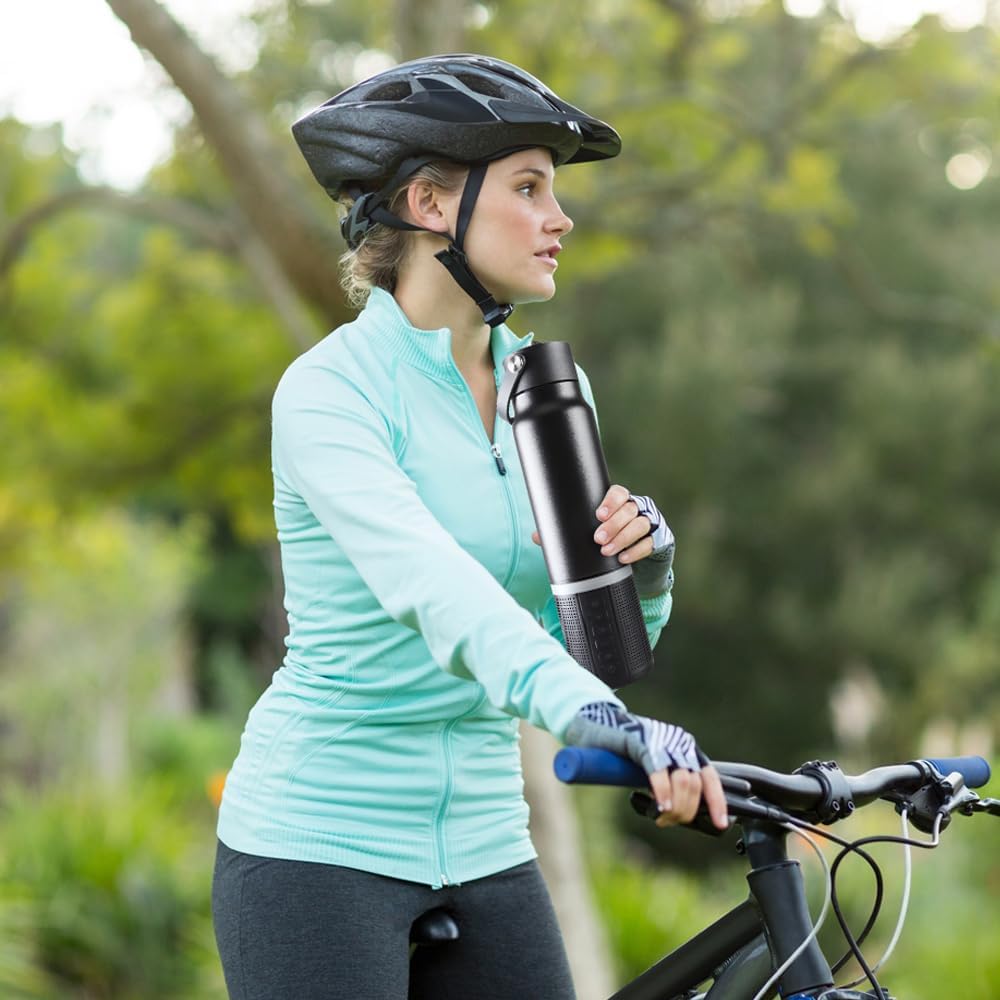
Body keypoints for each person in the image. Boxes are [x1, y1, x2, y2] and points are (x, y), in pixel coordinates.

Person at [212, 54, 728, 1000]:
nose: (559, 218)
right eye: (528, 188)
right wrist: (602, 722)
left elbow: (591, 652)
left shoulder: (550, 391)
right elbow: (435, 589)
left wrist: (646, 573)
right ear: (430, 204)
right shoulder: (331, 392)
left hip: (487, 839)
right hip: (319, 840)